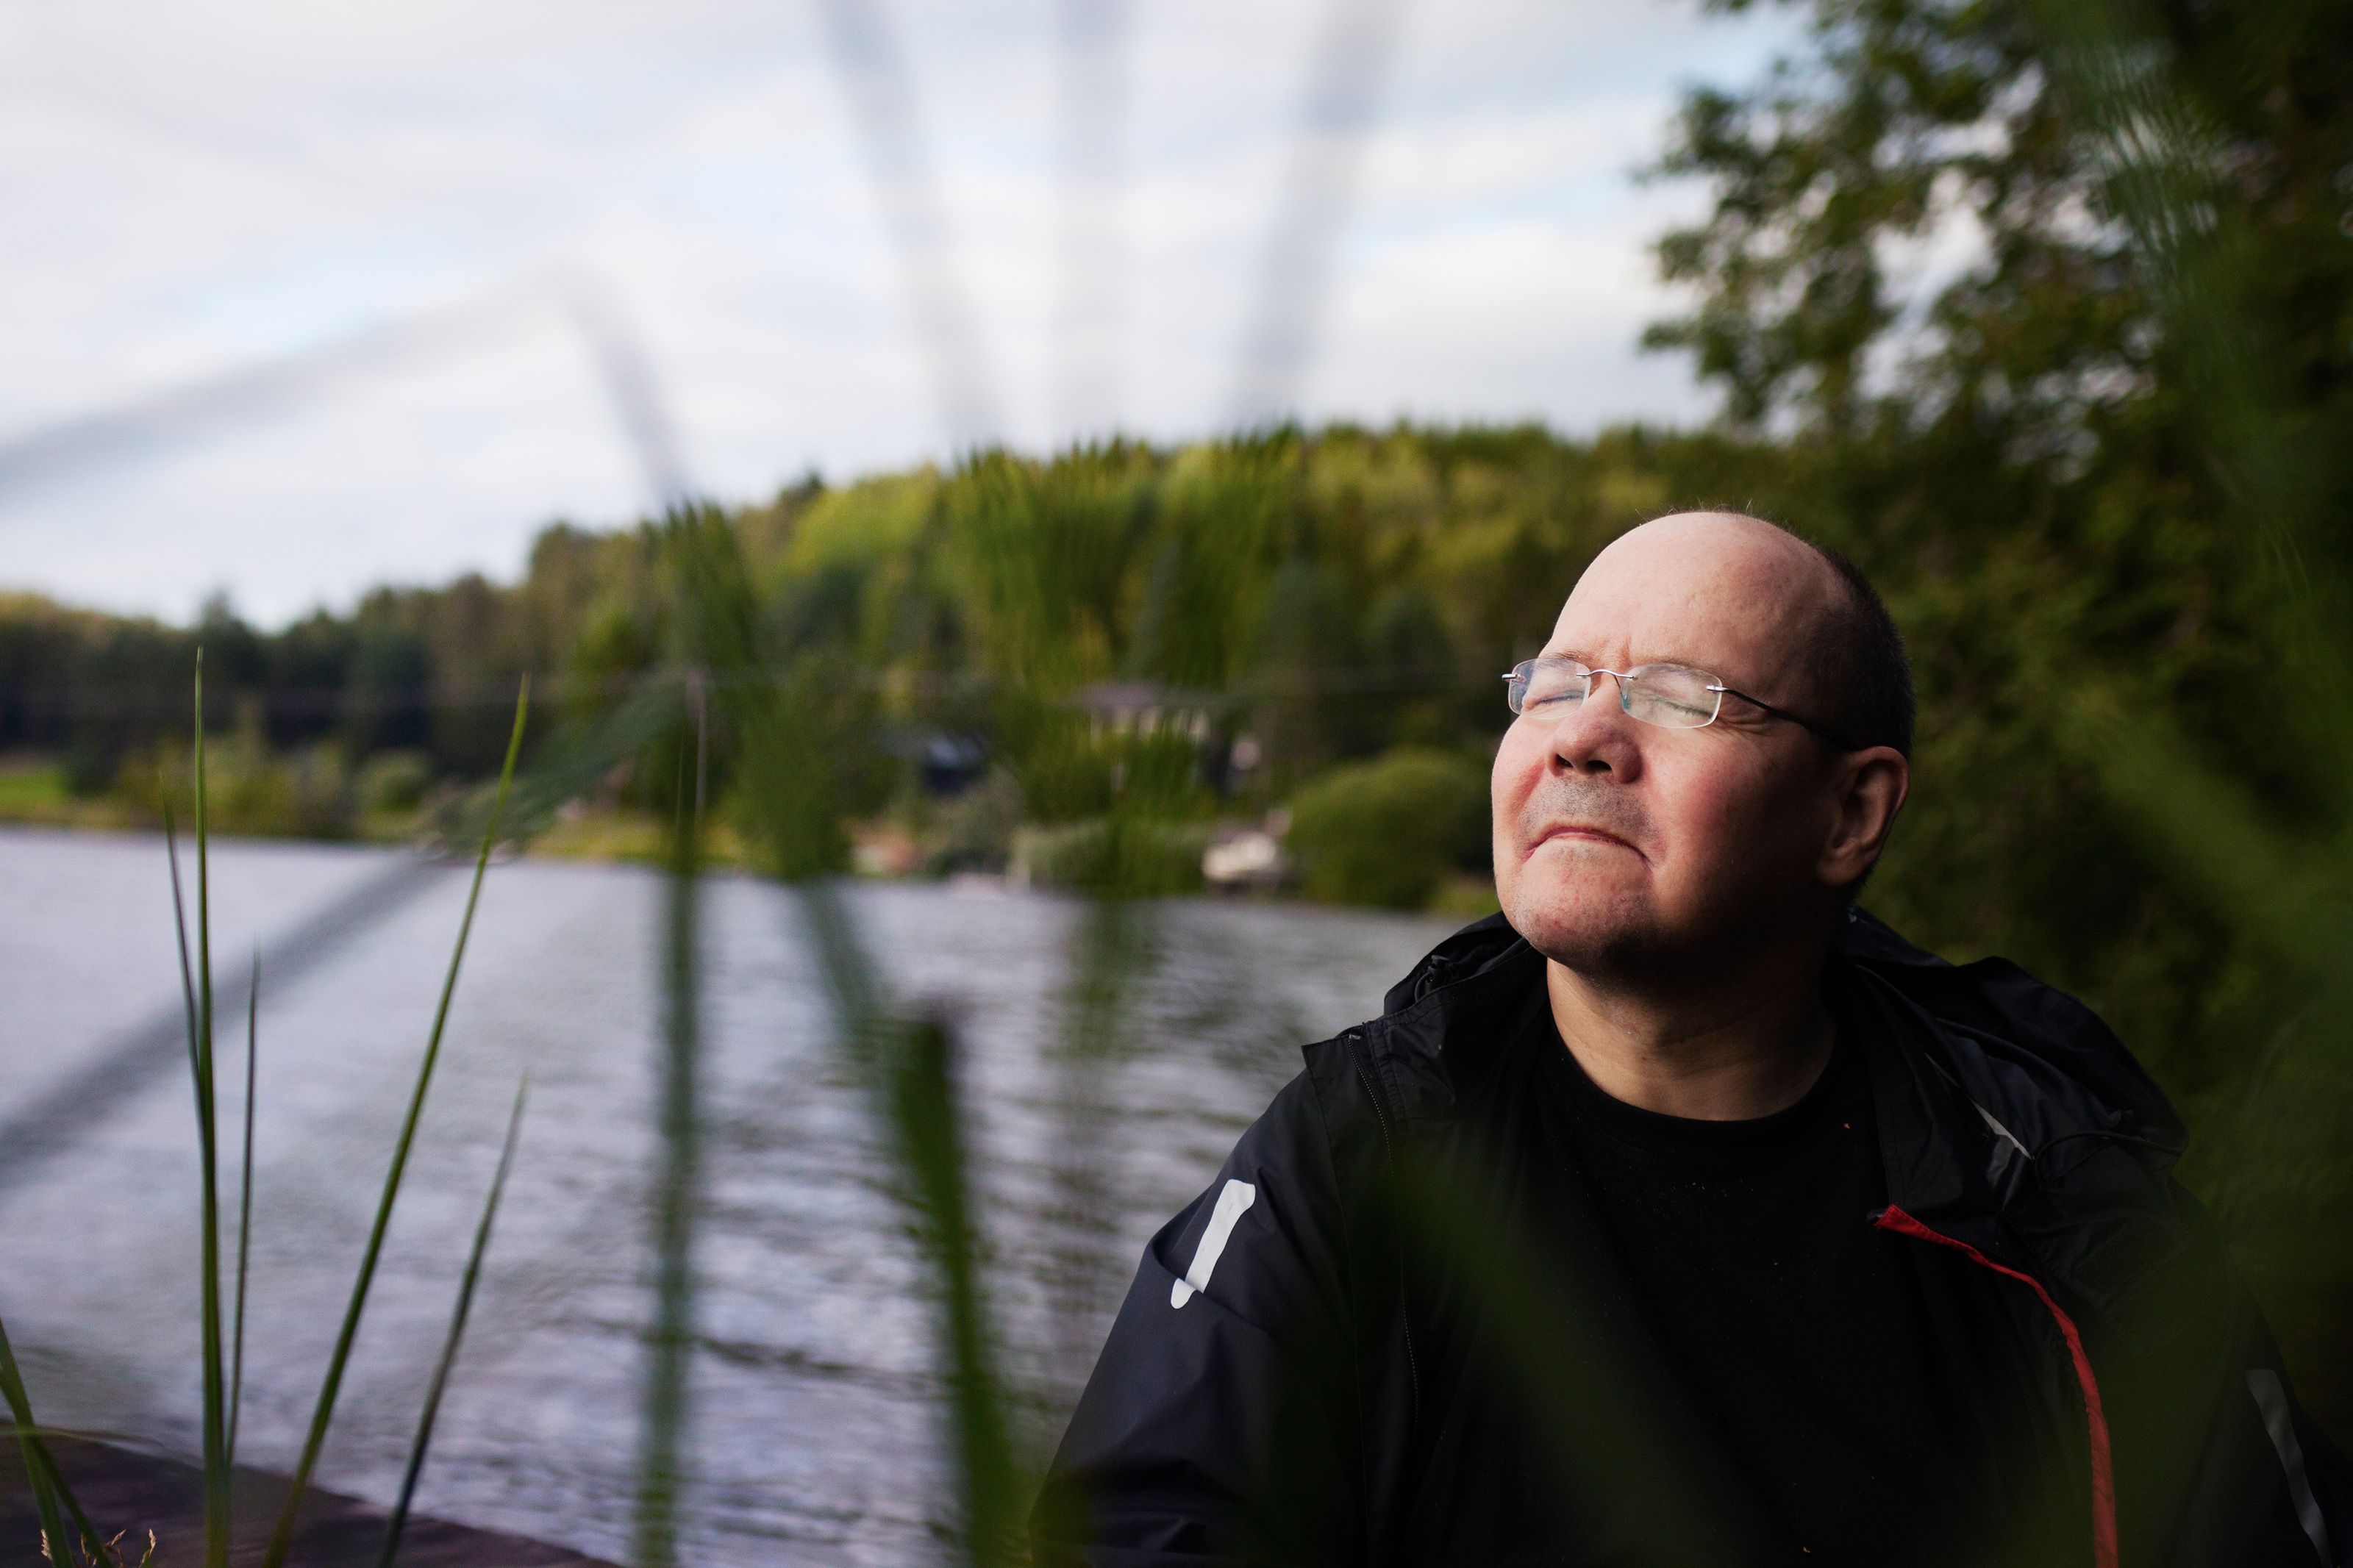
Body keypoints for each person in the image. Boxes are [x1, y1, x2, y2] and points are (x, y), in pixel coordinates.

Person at [1032, 512, 2353, 1567]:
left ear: (1851, 813)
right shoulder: (1363, 1154)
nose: (1583, 736)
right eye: (1553, 685)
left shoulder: (2062, 1206)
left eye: (1680, 696)